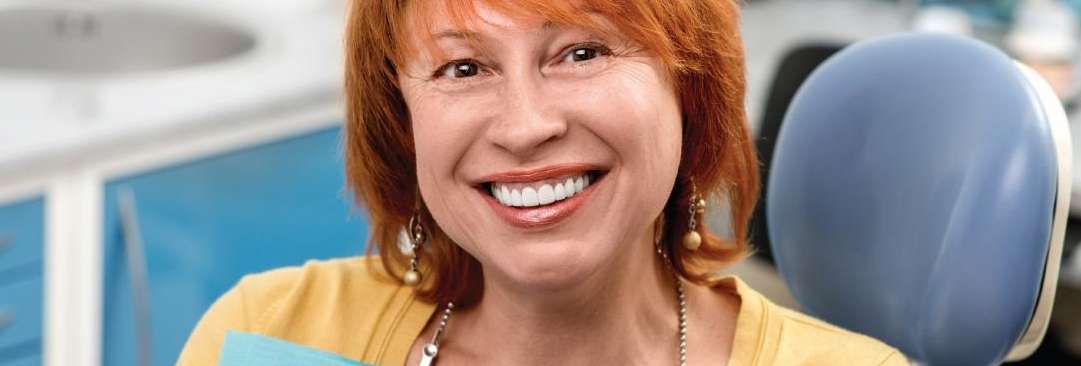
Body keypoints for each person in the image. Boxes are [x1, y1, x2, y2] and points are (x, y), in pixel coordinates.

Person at [179, 0, 907, 364]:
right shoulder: (270, 334)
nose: (524, 126)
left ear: (690, 88)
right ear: (403, 123)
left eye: (581, 53)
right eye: (462, 68)